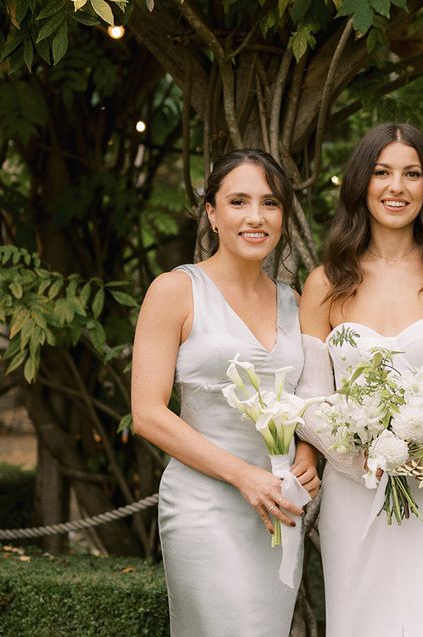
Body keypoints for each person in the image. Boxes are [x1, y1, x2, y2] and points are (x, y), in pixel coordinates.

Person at [297, 123, 423, 637]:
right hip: (354, 488)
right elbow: (311, 398)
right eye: (382, 172)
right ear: (361, 183)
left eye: (412, 173)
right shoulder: (325, 282)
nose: (396, 187)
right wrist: (356, 454)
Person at [131, 149, 320, 637]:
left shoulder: (292, 301)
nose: (255, 217)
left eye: (270, 203)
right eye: (238, 201)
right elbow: (148, 414)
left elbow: (306, 398)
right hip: (204, 506)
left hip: (278, 509)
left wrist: (306, 455)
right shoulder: (174, 290)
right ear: (212, 214)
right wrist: (243, 476)